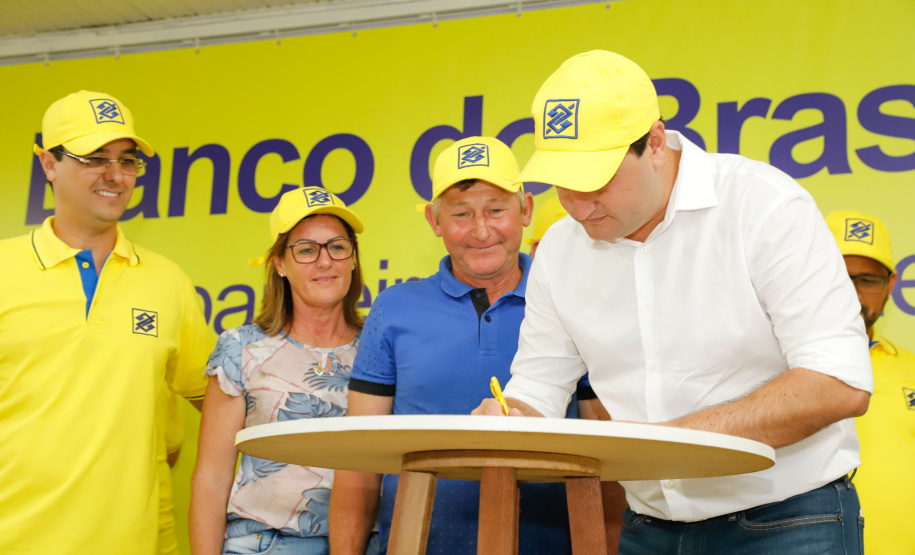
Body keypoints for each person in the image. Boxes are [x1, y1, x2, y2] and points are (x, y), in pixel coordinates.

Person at [473, 50, 873, 553]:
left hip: (790, 522)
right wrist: (511, 418)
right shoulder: (558, 249)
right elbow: (538, 386)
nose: (576, 203)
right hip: (649, 528)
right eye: (561, 180)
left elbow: (838, 382)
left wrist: (669, 443)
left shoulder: (764, 206)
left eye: (595, 179)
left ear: (656, 143)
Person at [329, 136, 588, 554]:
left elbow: (603, 451)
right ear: (433, 220)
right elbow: (358, 464)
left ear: (526, 210)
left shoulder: (572, 302)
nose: (481, 230)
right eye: (462, 214)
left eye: (496, 210)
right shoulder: (393, 309)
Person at [0, 90, 215, 554]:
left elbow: (221, 402)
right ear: (48, 163)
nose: (115, 176)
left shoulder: (168, 282)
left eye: (127, 160)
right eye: (94, 158)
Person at [190, 186, 381, 555]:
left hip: (364, 546)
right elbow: (212, 478)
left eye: (338, 247)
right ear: (279, 263)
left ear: (353, 259)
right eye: (306, 250)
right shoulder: (241, 348)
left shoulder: (380, 348)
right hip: (261, 544)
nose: (325, 262)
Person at [825, 209, 915, 555]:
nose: (852, 293)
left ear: (891, 286)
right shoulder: (768, 367)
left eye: (867, 280)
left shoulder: (910, 368)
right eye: (839, 276)